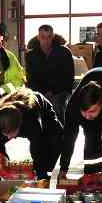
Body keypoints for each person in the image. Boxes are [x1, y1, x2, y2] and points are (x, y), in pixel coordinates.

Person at [0, 87, 63, 182]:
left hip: (43, 112)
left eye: (11, 134)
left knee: (56, 141)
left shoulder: (31, 121)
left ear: (20, 126)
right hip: (12, 109)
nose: (10, 138)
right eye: (6, 134)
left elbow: (38, 147)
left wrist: (40, 173)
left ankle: (44, 177)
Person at [24, 24, 77, 174]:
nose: (45, 41)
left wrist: (53, 92)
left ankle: (56, 148)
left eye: (48, 37)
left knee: (57, 114)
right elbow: (30, 79)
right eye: (42, 37)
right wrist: (43, 93)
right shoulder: (31, 55)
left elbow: (69, 77)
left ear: (53, 37)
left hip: (60, 93)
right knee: (36, 122)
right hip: (40, 94)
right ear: (38, 37)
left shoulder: (64, 52)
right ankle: (40, 158)